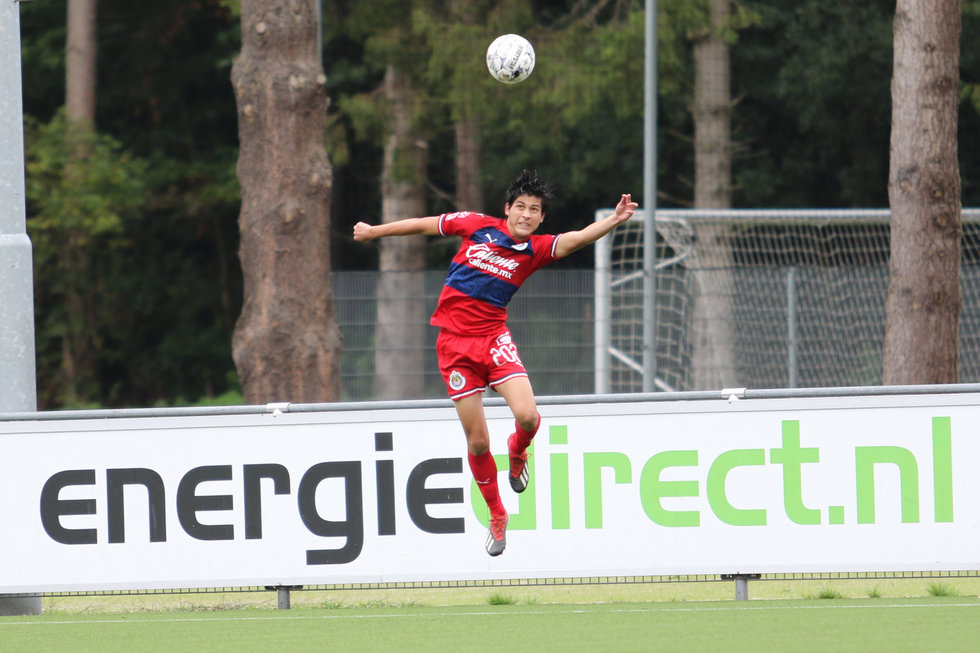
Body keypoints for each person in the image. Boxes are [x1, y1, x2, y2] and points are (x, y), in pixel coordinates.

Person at [353, 170, 637, 556]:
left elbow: (576, 239)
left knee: (529, 418)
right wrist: (374, 232)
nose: (526, 214)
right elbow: (423, 224)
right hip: (454, 347)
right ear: (507, 209)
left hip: (494, 340)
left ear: (540, 219)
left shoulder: (536, 249)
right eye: (520, 206)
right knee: (478, 440)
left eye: (534, 210)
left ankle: (518, 452)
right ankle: (498, 515)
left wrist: (614, 220)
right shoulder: (475, 226)